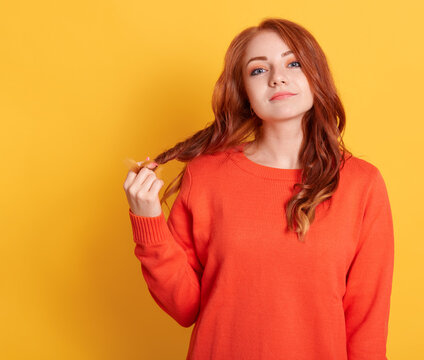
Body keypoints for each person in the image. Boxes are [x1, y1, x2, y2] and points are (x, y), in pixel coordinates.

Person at [123, 17, 394, 360]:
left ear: (316, 77)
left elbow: (367, 326)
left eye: (293, 63)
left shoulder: (361, 184)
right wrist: (148, 223)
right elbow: (185, 307)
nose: (277, 77)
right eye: (257, 70)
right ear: (245, 94)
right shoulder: (205, 176)